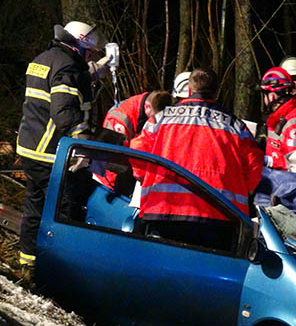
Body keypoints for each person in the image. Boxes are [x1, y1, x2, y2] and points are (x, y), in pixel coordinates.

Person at [129, 68, 263, 250]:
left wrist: (145, 177)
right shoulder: (235, 126)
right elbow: (254, 165)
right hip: (219, 216)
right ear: (217, 91)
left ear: (190, 90)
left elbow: (137, 150)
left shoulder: (160, 119)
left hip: (164, 210)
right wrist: (241, 188)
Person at [16, 21, 109, 271]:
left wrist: (93, 72)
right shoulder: (67, 66)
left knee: (35, 205)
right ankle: (60, 271)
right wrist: (84, 144)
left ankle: (28, 263)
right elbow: (64, 112)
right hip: (50, 152)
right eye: (89, 51)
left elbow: (63, 83)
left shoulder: (45, 57)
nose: (91, 55)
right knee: (64, 210)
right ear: (78, 45)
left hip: (30, 147)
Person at [260, 66, 296, 170]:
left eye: (265, 95)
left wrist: (269, 162)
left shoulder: (294, 122)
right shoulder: (277, 120)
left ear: (272, 96)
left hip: (292, 184)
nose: (264, 100)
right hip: (281, 182)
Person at [102, 90, 172, 146]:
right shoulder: (118, 121)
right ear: (147, 106)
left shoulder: (149, 101)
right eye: (155, 116)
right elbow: (116, 156)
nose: (157, 120)